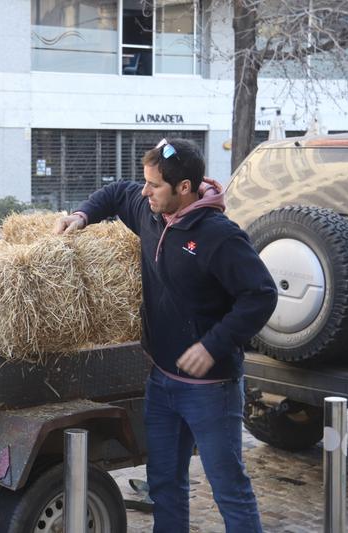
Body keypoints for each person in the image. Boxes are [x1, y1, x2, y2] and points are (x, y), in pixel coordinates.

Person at [54, 138, 277, 533]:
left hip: (211, 388)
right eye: (147, 182)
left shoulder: (219, 236)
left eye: (154, 185)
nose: (145, 191)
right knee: (164, 486)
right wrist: (81, 215)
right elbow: (117, 192)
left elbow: (260, 295)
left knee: (228, 489)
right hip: (162, 382)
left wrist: (213, 344)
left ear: (185, 188)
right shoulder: (149, 210)